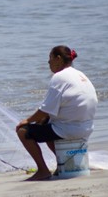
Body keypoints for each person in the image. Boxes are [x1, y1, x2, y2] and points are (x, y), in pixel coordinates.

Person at [16, 45, 98, 181]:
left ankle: (43, 170)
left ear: (58, 59)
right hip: (86, 128)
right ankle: (63, 165)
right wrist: (42, 119)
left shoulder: (59, 77)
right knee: (45, 122)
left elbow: (45, 110)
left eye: (50, 58)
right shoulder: (80, 74)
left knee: (23, 131)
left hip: (69, 129)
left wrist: (26, 121)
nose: (48, 62)